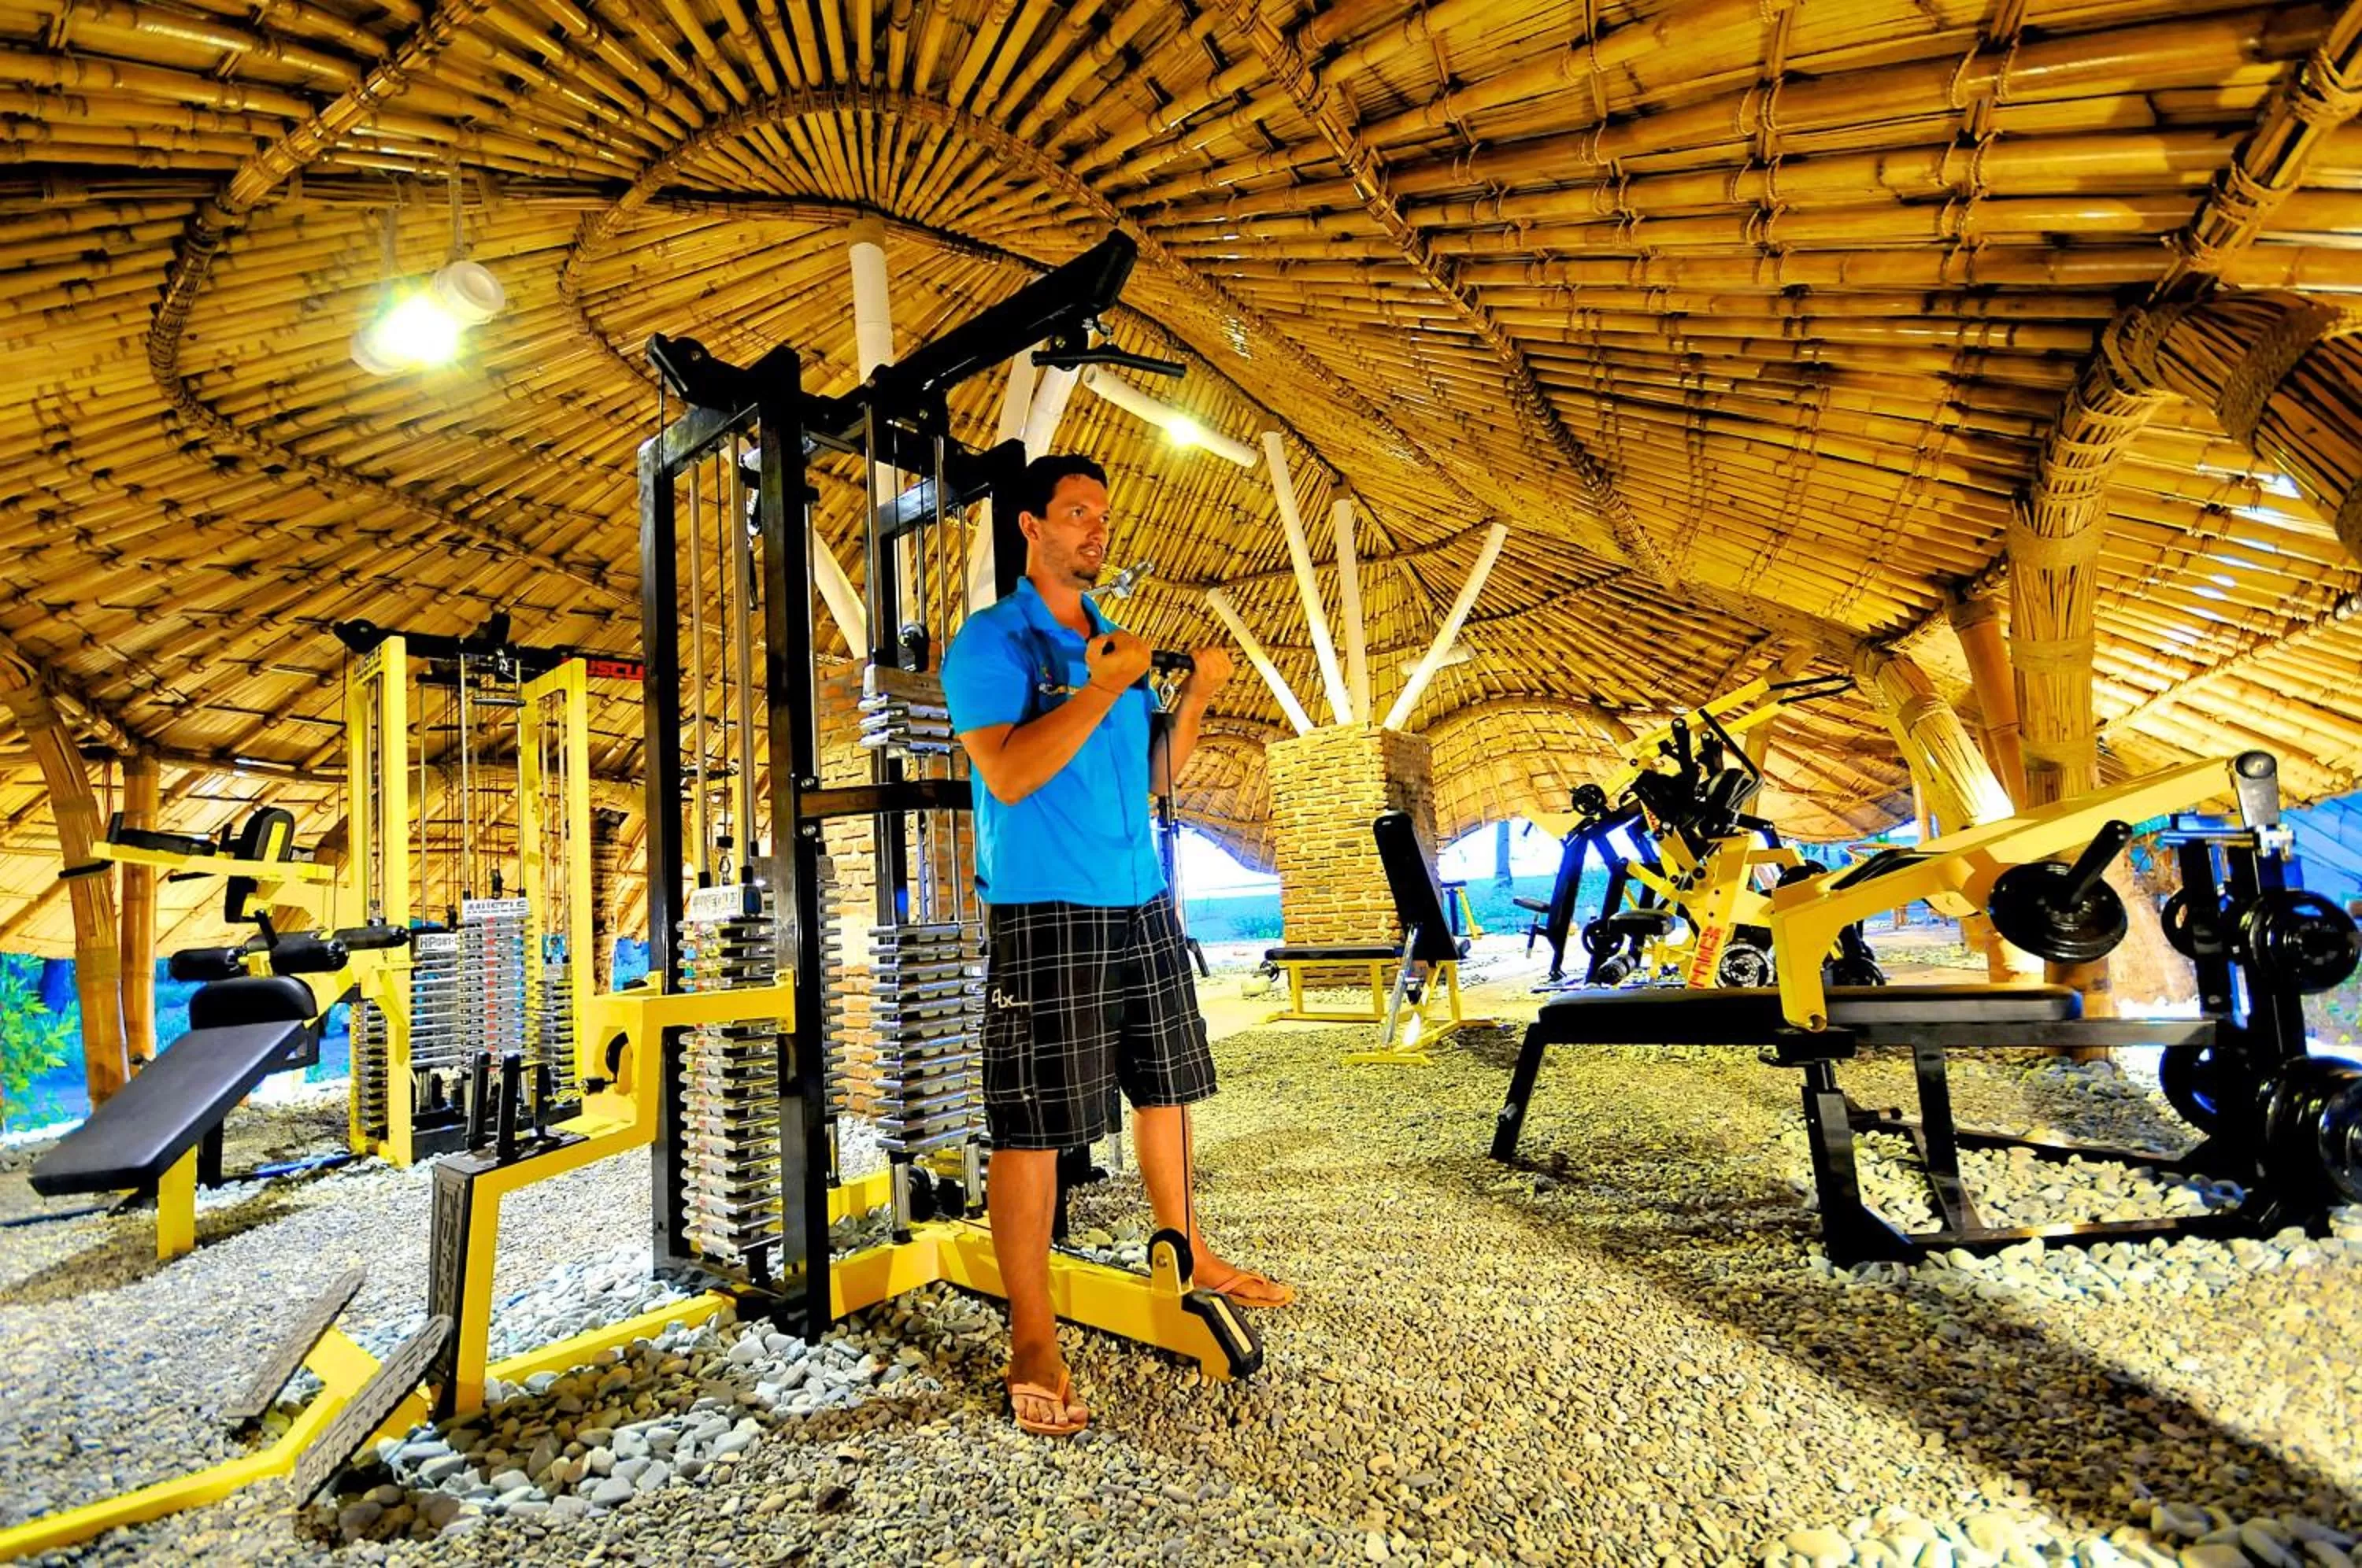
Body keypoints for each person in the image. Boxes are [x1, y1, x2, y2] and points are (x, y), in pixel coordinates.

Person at [941, 453, 1295, 1439]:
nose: (1096, 530)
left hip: (1141, 898)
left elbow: (1152, 775)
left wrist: (1196, 697)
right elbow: (1008, 774)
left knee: (1169, 1088)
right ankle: (1032, 1335)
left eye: (1103, 514)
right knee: (1034, 1126)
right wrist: (1099, 690)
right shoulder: (991, 642)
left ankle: (1189, 1251)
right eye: (1076, 514)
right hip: (1046, 905)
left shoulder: (1111, 641)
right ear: (1030, 528)